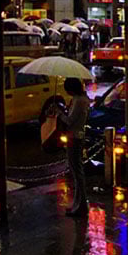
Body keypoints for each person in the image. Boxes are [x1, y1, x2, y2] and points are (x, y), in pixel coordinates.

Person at [53, 77, 90, 217]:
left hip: (75, 137)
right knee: (76, 171)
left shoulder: (79, 101)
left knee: (77, 172)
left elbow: (70, 120)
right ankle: (78, 203)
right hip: (75, 136)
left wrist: (59, 113)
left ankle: (81, 205)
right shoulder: (80, 99)